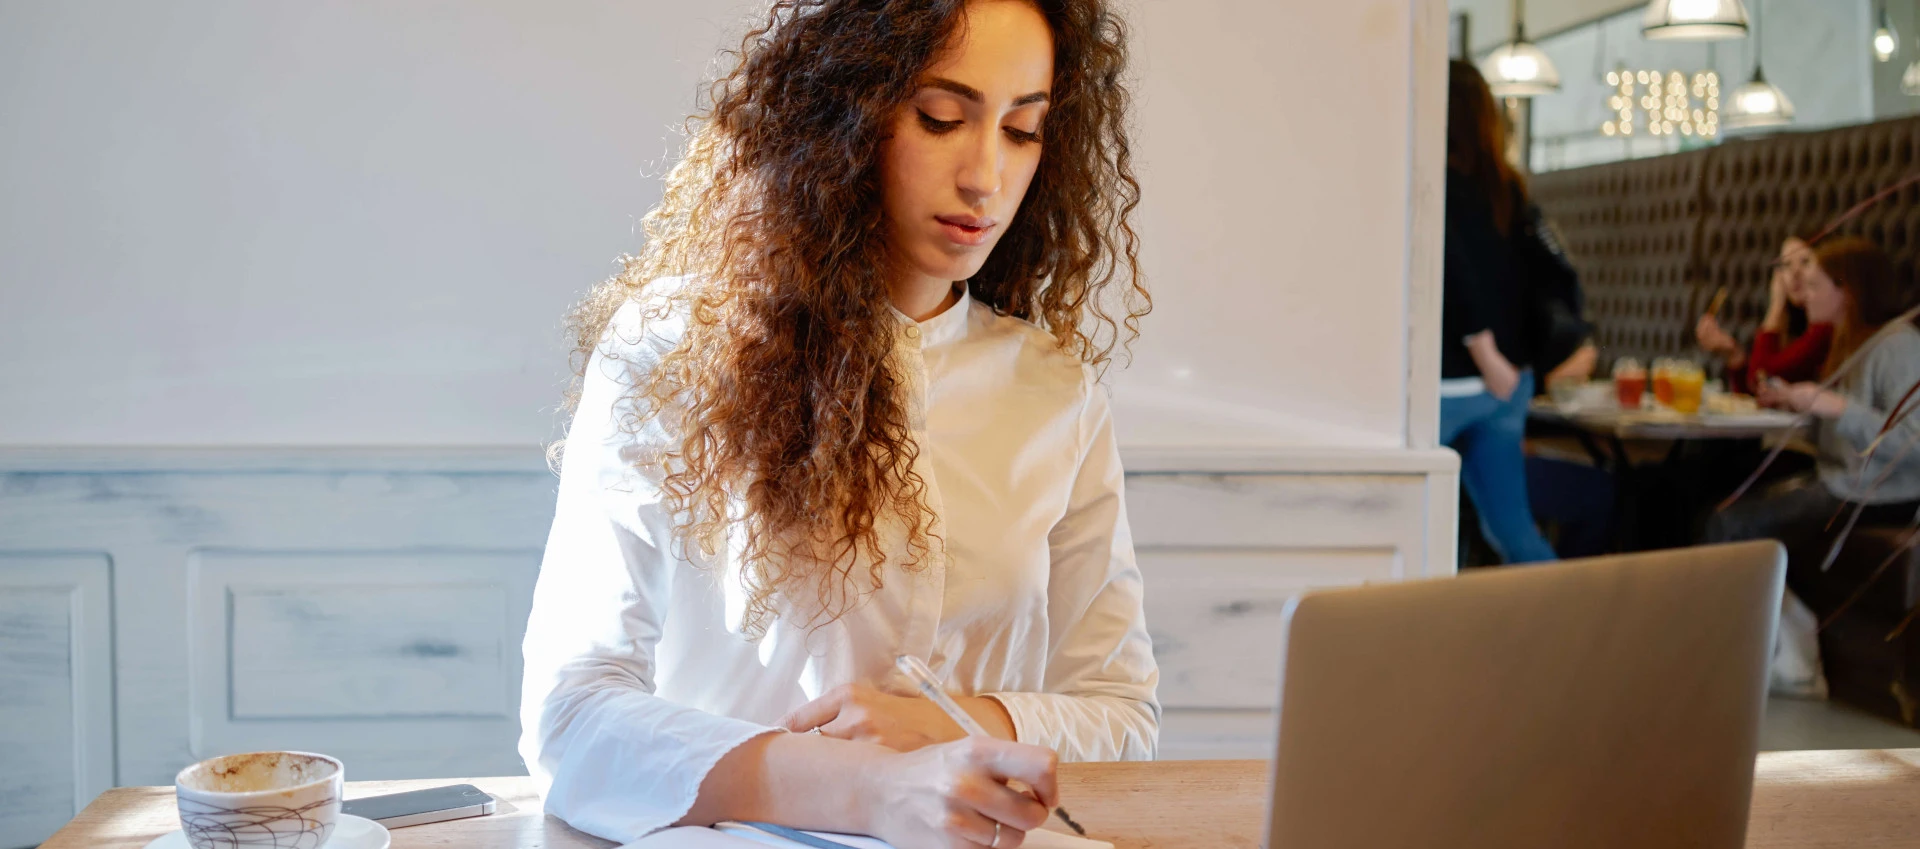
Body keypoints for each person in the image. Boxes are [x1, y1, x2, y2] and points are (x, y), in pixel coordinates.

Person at [517, 2, 1157, 847]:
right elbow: (571, 714)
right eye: (940, 118)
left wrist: (951, 725)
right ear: (844, 116)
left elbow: (1122, 717)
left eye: (1023, 131)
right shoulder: (670, 350)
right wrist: (873, 789)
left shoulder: (1055, 391)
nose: (984, 177)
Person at [1709, 237, 1920, 695]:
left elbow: (1913, 441)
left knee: (1728, 526)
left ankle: (1728, 658)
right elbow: (1838, 427)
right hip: (1839, 479)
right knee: (1724, 513)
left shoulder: (1898, 345)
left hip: (1883, 494)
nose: (1806, 293)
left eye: (1816, 284)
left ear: (1848, 291)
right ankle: (1761, 649)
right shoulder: (1848, 342)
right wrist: (1797, 405)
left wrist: (1835, 406)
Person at [1440, 59, 1560, 565]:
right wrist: (1517, 367)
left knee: (1411, 520)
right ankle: (1574, 633)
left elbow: (1453, 270)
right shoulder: (1508, 187)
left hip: (1451, 383)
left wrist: (1484, 351)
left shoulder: (1435, 182)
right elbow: (1547, 281)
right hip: (1509, 385)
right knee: (1513, 533)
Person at [1696, 235, 1831, 394]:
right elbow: (1757, 395)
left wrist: (1776, 305)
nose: (1795, 272)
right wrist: (1733, 354)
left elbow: (1761, 378)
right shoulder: (1794, 330)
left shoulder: (1826, 327)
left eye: (1805, 261)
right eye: (1787, 264)